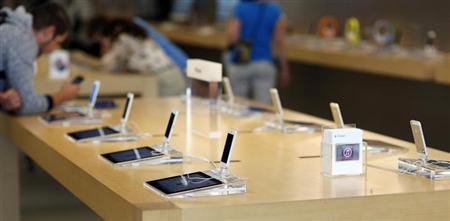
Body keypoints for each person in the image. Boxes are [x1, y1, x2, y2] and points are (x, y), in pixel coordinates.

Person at [0, 3, 79, 115]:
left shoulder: (9, 28)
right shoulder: (24, 40)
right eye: (57, 43)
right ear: (48, 32)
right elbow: (26, 104)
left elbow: (16, 100)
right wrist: (62, 96)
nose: (52, 51)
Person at [88, 17, 185, 97]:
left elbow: (107, 65)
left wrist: (106, 49)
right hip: (173, 74)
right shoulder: (133, 34)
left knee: (162, 113)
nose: (101, 44)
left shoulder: (122, 39)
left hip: (163, 79)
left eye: (100, 41)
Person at [225, 0, 290, 104]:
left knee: (236, 105)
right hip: (265, 62)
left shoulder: (240, 7)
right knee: (263, 107)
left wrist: (228, 52)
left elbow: (233, 36)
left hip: (241, 61)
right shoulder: (275, 10)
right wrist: (284, 68)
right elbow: (279, 41)